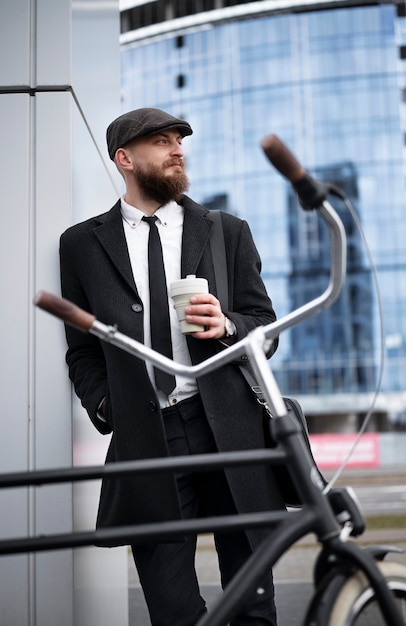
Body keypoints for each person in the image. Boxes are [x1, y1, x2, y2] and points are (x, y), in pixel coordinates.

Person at [60, 107, 286, 626]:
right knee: (172, 610)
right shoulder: (81, 245)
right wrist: (107, 405)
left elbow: (265, 328)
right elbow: (82, 350)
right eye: (161, 142)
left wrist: (228, 325)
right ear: (125, 159)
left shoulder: (227, 231)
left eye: (179, 141)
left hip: (230, 432)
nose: (178, 150)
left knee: (254, 606)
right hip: (148, 438)